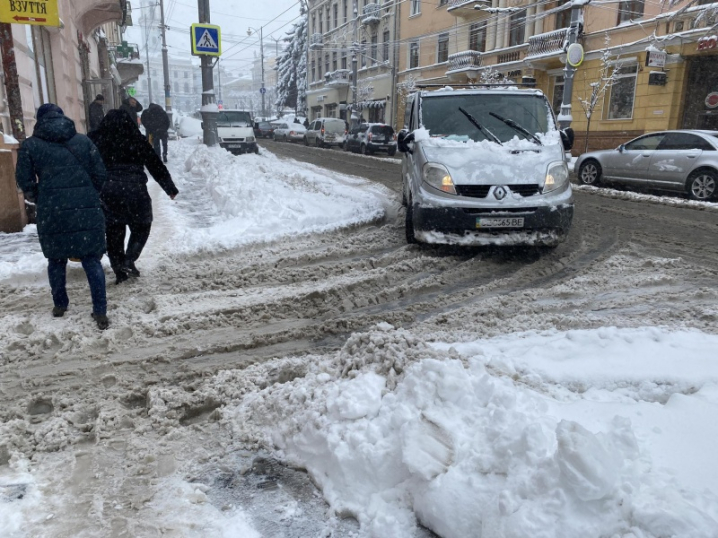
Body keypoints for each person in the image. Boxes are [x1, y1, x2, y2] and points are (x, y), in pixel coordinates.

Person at [15, 104, 110, 330]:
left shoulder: (30, 146)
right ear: (62, 117)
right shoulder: (83, 141)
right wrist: (87, 193)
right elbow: (100, 173)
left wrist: (42, 196)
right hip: (86, 207)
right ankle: (100, 309)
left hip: (52, 210)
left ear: (39, 120)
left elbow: (25, 181)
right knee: (91, 259)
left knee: (56, 259)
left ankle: (60, 304)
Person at [88, 110, 178, 285]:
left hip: (108, 191)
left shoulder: (95, 140)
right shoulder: (136, 138)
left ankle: (119, 267)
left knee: (114, 231)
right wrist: (169, 188)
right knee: (142, 225)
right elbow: (155, 164)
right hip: (135, 191)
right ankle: (130, 258)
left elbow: (86, 165)